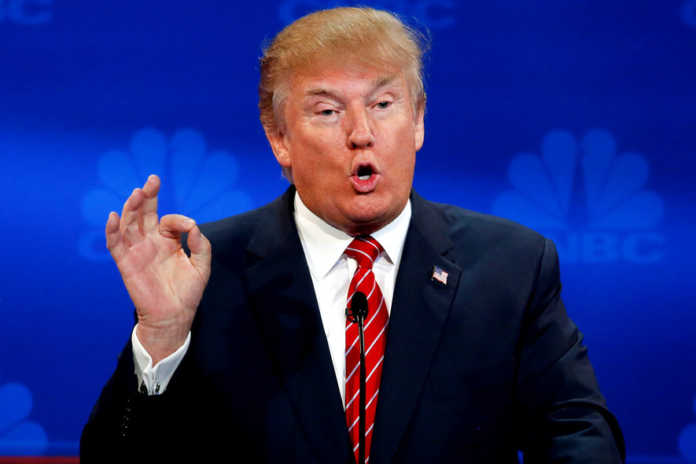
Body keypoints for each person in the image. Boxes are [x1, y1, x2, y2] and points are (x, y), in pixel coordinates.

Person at [80, 7, 625, 463]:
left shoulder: (512, 265)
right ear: (279, 139)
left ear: (418, 120)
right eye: (328, 111)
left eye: (383, 105)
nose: (362, 133)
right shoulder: (207, 270)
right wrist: (162, 337)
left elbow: (579, 435)